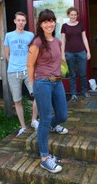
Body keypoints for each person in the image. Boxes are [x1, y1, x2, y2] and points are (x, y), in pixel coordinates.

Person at [27, 9, 68, 173]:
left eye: (51, 21)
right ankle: (44, 158)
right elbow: (30, 65)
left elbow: (60, 61)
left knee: (62, 115)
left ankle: (49, 127)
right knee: (44, 119)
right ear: (41, 24)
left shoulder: (58, 41)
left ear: (54, 22)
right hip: (42, 82)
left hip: (57, 82)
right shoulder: (37, 42)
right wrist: (33, 84)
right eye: (45, 21)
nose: (49, 24)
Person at [4, 11, 39, 137]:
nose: (21, 22)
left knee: (37, 95)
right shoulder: (8, 35)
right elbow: (6, 53)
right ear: (15, 21)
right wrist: (13, 64)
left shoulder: (30, 35)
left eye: (23, 20)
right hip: (13, 72)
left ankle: (34, 120)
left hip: (28, 70)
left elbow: (34, 52)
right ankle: (23, 126)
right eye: (19, 20)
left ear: (25, 22)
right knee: (17, 101)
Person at [61, 7, 91, 102]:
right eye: (71, 14)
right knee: (72, 74)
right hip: (69, 53)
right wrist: (62, 54)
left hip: (81, 52)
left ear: (77, 15)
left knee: (83, 73)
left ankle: (84, 91)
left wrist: (88, 51)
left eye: (75, 14)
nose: (73, 16)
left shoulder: (80, 25)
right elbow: (63, 41)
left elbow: (84, 38)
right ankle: (73, 93)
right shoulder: (64, 26)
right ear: (68, 15)